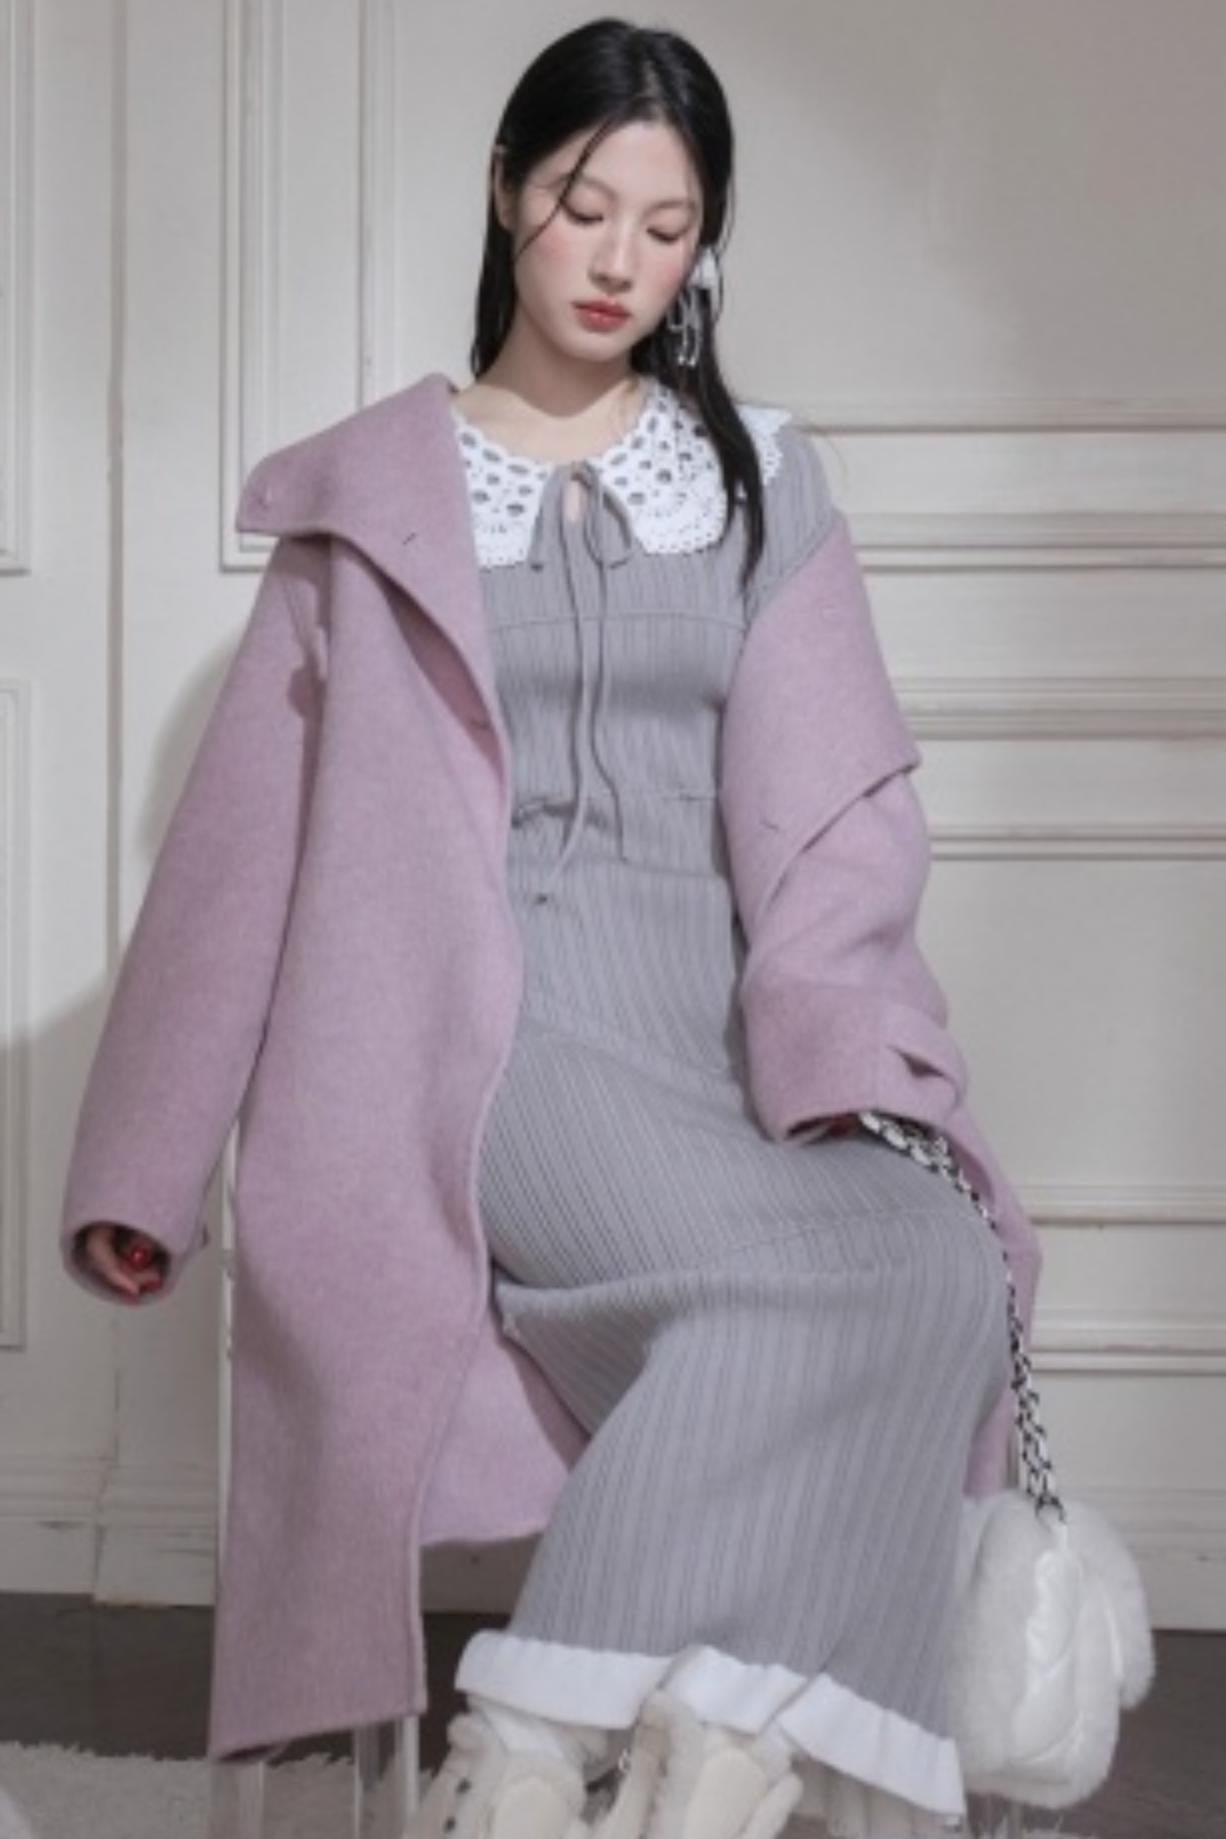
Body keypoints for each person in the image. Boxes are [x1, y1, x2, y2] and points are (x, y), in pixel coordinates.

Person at [67, 19, 1037, 1839]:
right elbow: (233, 856)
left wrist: (841, 1050)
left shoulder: (760, 480)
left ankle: (707, 1751)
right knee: (770, 1285)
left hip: (732, 1032)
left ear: (703, 248)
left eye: (665, 229)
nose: (616, 263)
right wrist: (145, 1165)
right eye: (585, 208)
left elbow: (840, 821)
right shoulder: (374, 503)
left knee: (940, 1255)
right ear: (507, 189)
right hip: (486, 1039)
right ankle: (525, 1754)